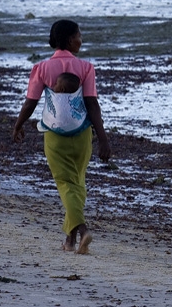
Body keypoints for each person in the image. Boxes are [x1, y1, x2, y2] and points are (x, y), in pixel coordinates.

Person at [13, 19, 112, 254]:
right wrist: (103, 138)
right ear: (69, 40)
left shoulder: (42, 69)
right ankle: (70, 241)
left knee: (66, 184)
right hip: (82, 135)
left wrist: (18, 125)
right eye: (79, 35)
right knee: (77, 183)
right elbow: (92, 104)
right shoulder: (86, 67)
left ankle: (83, 230)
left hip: (54, 135)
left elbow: (31, 103)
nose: (81, 39)